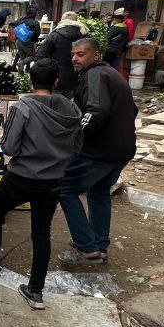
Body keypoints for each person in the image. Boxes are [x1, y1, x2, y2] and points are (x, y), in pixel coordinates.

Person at [0, 59, 83, 309]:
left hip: (22, 177)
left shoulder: (23, 108)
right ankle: (35, 291)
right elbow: (78, 146)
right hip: (54, 180)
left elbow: (10, 147)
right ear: (56, 81)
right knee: (41, 233)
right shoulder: (71, 110)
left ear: (29, 80)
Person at [58, 37, 138, 266]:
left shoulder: (95, 74)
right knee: (99, 192)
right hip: (122, 149)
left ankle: (87, 248)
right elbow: (133, 109)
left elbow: (96, 111)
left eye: (81, 54)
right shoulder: (112, 74)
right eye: (73, 54)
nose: (74, 58)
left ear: (96, 56)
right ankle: (98, 245)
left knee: (65, 189)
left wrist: (75, 136)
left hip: (99, 152)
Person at [36, 10, 83, 95]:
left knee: (54, 105)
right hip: (77, 79)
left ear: (62, 21)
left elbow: (40, 56)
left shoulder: (54, 35)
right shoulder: (84, 35)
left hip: (56, 79)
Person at [12, 7, 41, 72]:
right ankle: (22, 64)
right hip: (28, 42)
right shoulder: (35, 22)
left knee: (23, 58)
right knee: (32, 57)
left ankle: (21, 74)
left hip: (18, 41)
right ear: (34, 14)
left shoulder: (21, 21)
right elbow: (37, 33)